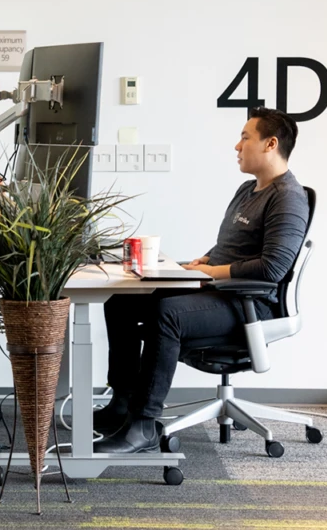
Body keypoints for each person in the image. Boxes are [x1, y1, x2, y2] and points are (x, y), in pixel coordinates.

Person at [93, 107, 310, 454]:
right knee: (122, 300)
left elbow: (273, 268)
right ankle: (122, 403)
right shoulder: (248, 189)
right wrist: (207, 260)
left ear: (270, 144)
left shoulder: (287, 197)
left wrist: (211, 273)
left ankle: (143, 425)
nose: (237, 146)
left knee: (168, 313)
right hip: (221, 290)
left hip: (251, 305)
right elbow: (232, 245)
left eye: (245, 137)